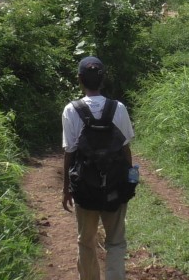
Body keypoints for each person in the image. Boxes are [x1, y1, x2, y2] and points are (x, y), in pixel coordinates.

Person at [62, 56, 135, 280]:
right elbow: (125, 150)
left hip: (85, 187)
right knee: (116, 241)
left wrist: (66, 188)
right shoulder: (118, 108)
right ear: (103, 79)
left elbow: (70, 152)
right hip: (115, 185)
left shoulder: (71, 110)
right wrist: (130, 181)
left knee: (86, 241)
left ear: (79, 79)